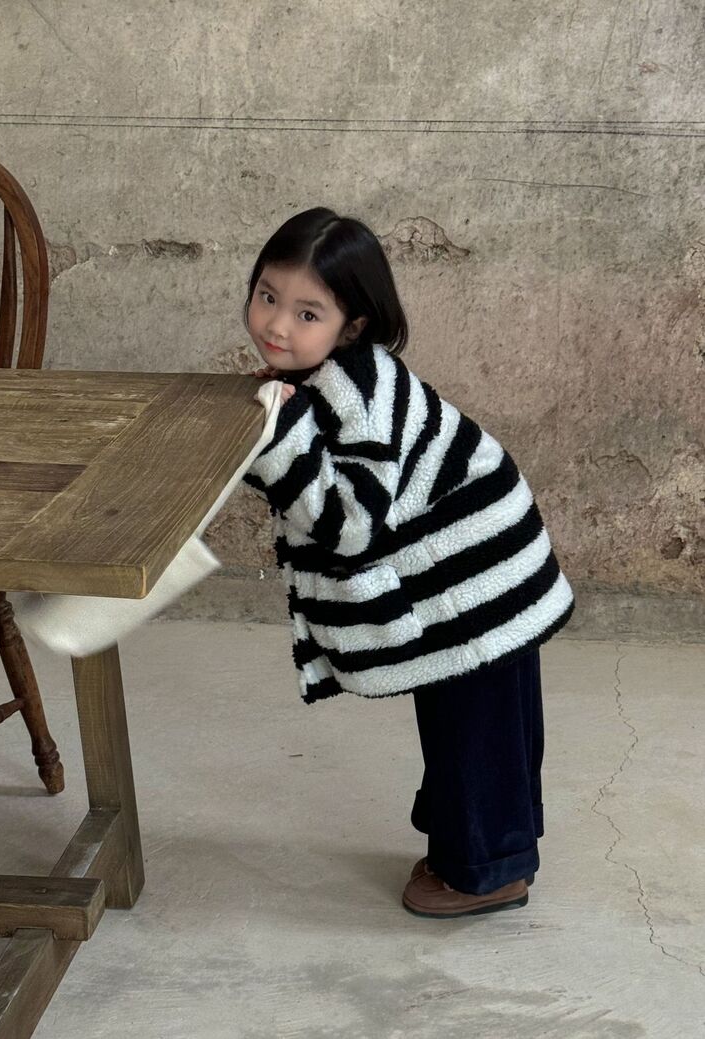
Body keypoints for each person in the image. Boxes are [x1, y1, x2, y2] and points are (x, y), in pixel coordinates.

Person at [240, 207, 575, 919]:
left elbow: (350, 525)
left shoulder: (356, 391)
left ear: (352, 325)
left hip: (475, 580)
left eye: (307, 313)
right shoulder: (327, 375)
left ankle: (488, 873)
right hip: (468, 568)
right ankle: (480, 849)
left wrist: (279, 439)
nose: (277, 325)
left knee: (477, 727)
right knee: (478, 723)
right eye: (268, 296)